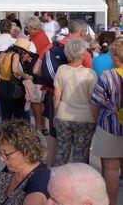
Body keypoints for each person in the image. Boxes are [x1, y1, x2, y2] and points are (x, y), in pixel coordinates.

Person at [34, 19, 92, 167]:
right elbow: (92, 95)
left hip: (57, 102)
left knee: (58, 143)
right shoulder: (86, 57)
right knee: (81, 154)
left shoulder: (51, 47)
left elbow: (36, 70)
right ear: (82, 32)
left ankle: (51, 170)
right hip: (83, 113)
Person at [52, 38, 97, 166]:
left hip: (63, 116)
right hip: (85, 118)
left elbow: (56, 96)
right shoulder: (90, 74)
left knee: (61, 153)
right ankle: (79, 183)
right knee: (81, 156)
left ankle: (57, 182)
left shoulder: (61, 70)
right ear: (83, 54)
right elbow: (93, 100)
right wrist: (97, 119)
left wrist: (55, 115)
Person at [91, 38, 123, 205]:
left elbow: (95, 102)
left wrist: (99, 121)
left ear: (116, 57)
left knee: (111, 170)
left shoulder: (108, 76)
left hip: (110, 126)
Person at [0, 119, 50, 205]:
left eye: (5, 154)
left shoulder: (39, 184)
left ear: (27, 153)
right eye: (0, 153)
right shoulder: (10, 169)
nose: (2, 159)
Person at [0, 39, 33, 120]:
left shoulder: (4, 53)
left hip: (2, 85)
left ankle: (5, 131)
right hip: (12, 86)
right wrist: (25, 75)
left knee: (5, 115)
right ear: (22, 50)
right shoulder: (15, 55)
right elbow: (15, 69)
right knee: (17, 114)